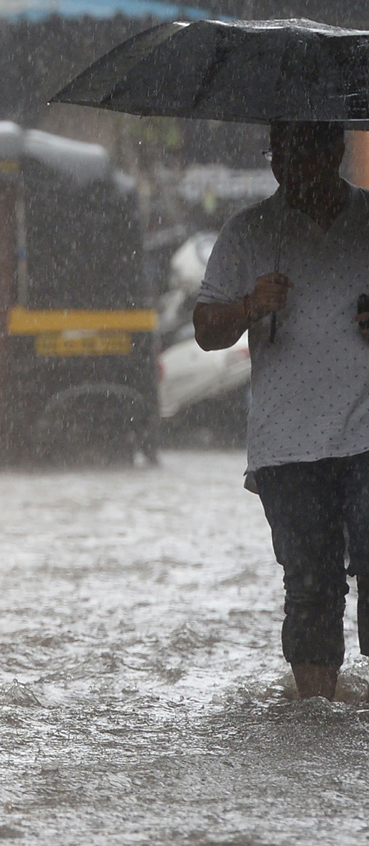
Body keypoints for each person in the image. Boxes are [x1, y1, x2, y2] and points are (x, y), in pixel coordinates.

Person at [194, 121, 369, 700]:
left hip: (367, 435)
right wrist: (248, 305)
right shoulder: (248, 232)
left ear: (333, 150)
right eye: (278, 154)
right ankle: (317, 712)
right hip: (287, 446)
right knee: (311, 585)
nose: (287, 168)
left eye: (302, 153)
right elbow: (204, 329)